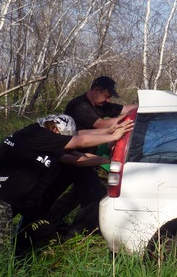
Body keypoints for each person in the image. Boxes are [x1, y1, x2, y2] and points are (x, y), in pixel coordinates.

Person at [0, 115, 133, 256]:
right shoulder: (37, 135)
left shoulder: (40, 140)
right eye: (63, 137)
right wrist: (112, 136)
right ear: (53, 128)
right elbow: (79, 141)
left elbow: (77, 158)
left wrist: (110, 161)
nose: (64, 141)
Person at [30, 75, 136, 241]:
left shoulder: (101, 104)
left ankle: (70, 233)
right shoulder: (79, 105)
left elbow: (125, 109)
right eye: (107, 95)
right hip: (66, 158)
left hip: (84, 161)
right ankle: (33, 228)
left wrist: (146, 107)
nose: (108, 99)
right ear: (95, 90)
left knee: (92, 194)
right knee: (49, 194)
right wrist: (125, 123)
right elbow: (101, 126)